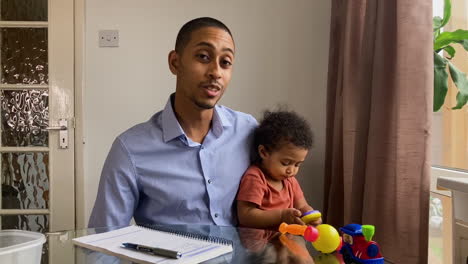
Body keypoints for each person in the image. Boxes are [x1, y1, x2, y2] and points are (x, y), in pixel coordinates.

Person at [88, 17, 257, 228]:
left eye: (225, 62)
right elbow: (104, 241)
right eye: (203, 57)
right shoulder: (130, 149)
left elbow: (280, 196)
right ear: (175, 62)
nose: (216, 72)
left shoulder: (249, 131)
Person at [236, 110, 322, 229]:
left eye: (297, 165)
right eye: (286, 163)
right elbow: (246, 215)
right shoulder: (255, 177)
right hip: (259, 240)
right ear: (264, 152)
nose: (291, 170)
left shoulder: (290, 181)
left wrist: (310, 215)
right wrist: (281, 216)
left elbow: (302, 206)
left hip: (285, 236)